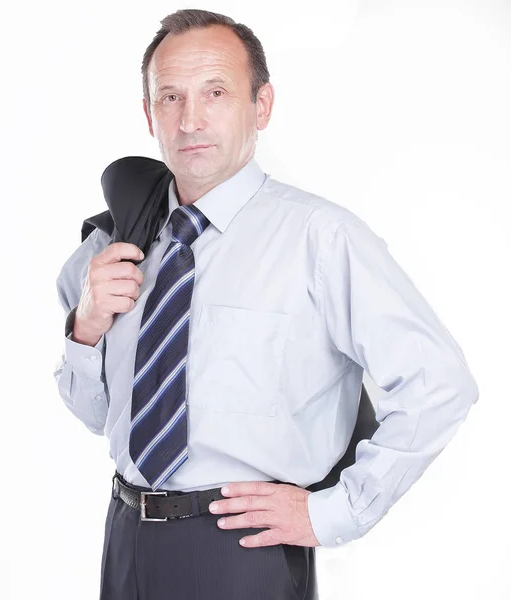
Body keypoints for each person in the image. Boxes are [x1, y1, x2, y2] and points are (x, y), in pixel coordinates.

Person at [53, 8, 479, 600]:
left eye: (216, 92)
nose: (190, 118)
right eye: (170, 96)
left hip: (243, 549)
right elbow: (92, 414)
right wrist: (87, 326)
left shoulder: (322, 239)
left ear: (262, 106)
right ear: (149, 114)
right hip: (125, 534)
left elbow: (440, 383)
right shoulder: (116, 241)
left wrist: (335, 513)